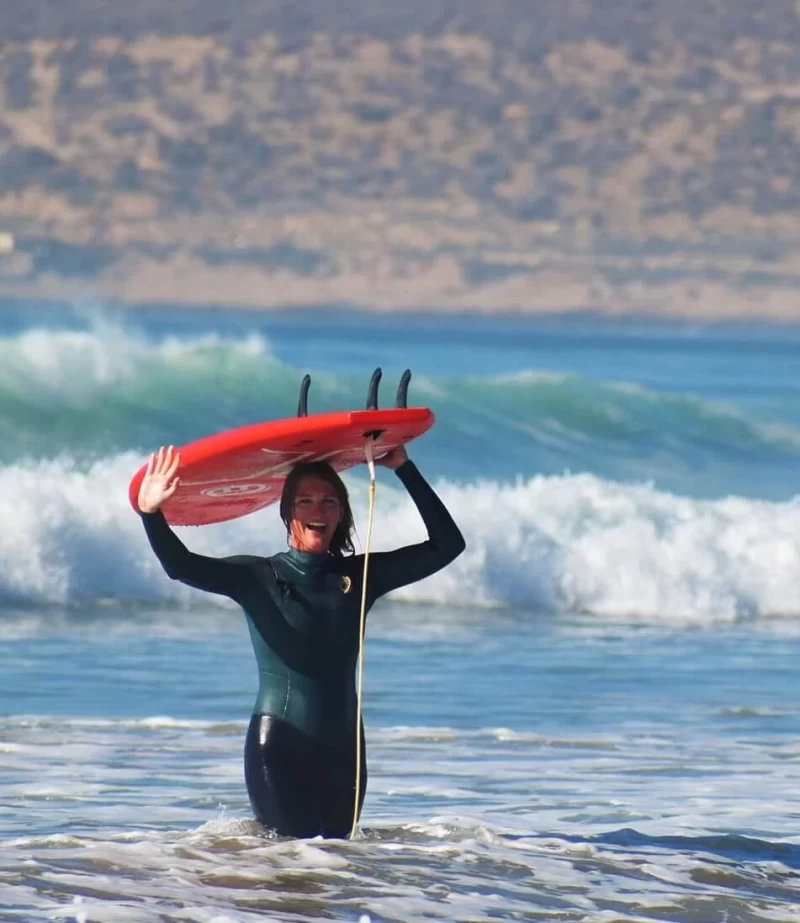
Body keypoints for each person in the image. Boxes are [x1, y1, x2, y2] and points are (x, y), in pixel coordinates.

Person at [137, 443, 465, 839]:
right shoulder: (257, 576)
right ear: (287, 512)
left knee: (338, 861)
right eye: (304, 501)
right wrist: (151, 514)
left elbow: (448, 545)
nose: (317, 511)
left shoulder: (361, 576)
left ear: (341, 513)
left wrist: (403, 468)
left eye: (329, 502)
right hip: (279, 745)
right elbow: (180, 566)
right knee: (293, 857)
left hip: (344, 748)